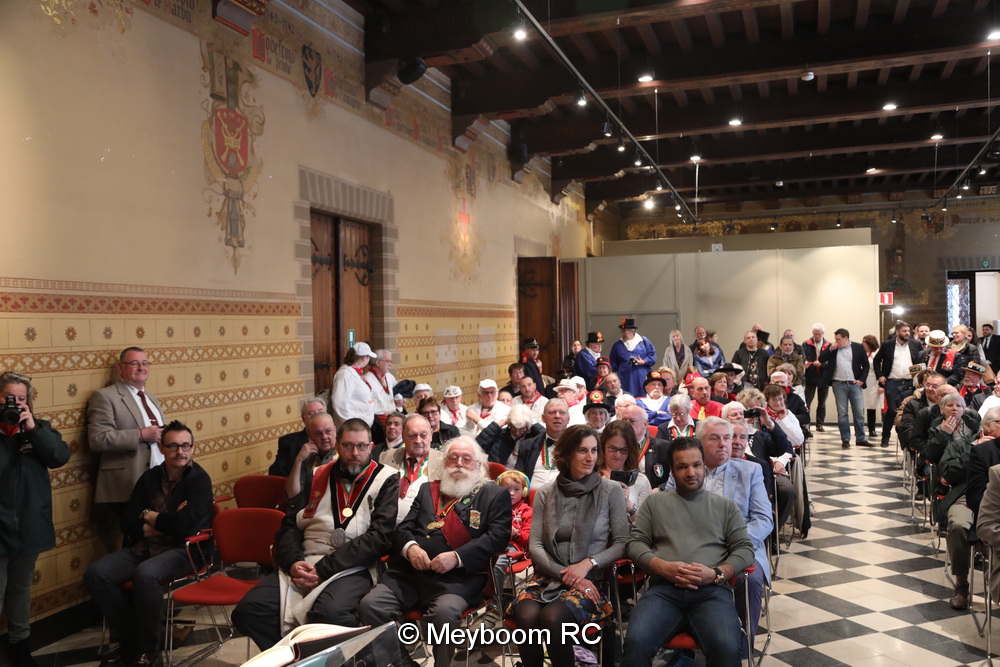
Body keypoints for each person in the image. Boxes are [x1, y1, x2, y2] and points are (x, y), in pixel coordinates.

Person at [233, 419, 398, 649]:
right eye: (348, 446)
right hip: (305, 560)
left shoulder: (386, 478)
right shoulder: (317, 475)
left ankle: (350, 659)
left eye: (361, 446)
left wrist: (323, 569)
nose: (355, 453)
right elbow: (290, 524)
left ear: (371, 447)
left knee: (330, 613)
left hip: (352, 564)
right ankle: (297, 659)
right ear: (337, 446)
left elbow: (379, 537)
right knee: (249, 610)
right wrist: (292, 562)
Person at [359, 437, 511, 667]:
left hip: (457, 580)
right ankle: (402, 663)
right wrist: (411, 548)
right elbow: (403, 529)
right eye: (453, 457)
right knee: (370, 605)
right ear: (443, 462)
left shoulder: (493, 494)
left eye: (466, 459)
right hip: (411, 574)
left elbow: (498, 537)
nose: (459, 463)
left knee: (444, 615)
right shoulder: (427, 490)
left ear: (479, 465)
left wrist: (456, 558)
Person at [84, 421, 213, 667]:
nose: (180, 452)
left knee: (146, 574)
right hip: (144, 546)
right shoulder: (149, 478)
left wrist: (148, 514)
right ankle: (131, 639)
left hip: (184, 549)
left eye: (186, 446)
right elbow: (127, 520)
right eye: (173, 446)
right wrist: (160, 521)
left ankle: (147, 648)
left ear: (193, 448)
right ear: (161, 448)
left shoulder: (199, 480)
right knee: (96, 574)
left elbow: (184, 525)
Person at [621, 436, 755, 667]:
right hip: (664, 591)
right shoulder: (654, 503)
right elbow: (635, 543)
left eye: (696, 465)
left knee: (726, 646)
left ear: (705, 467)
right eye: (682, 467)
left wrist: (715, 573)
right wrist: (662, 567)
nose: (691, 472)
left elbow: (744, 549)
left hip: (711, 592)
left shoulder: (725, 506)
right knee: (635, 642)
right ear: (672, 471)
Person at [512, 425, 628, 667]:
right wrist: (566, 575)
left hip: (590, 582)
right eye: (582, 451)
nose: (590, 457)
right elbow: (535, 545)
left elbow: (622, 543)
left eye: (594, 450)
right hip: (548, 576)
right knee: (525, 615)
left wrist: (588, 563)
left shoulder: (611, 490)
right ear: (566, 454)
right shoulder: (546, 493)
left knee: (552, 618)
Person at [659, 418, 772, 653]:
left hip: (739, 548)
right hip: (690, 548)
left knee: (749, 579)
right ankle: (684, 643)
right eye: (715, 438)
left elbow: (763, 520)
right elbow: (667, 514)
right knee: (676, 572)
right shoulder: (683, 471)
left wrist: (735, 547)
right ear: (699, 443)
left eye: (727, 438)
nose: (723, 444)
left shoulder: (750, 471)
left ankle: (740, 648)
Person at [0, 372, 71, 667]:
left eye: (21, 399)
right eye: (9, 398)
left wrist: (32, 430)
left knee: (20, 589)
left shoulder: (39, 429)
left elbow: (59, 457)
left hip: (29, 527)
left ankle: (20, 646)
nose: (16, 404)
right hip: (0, 527)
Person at [87, 347, 166, 506]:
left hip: (159, 478)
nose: (141, 368)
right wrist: (141, 435)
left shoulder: (150, 397)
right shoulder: (105, 396)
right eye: (134, 363)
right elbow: (98, 439)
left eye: (145, 363)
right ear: (120, 367)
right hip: (127, 483)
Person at [925, 393, 981, 609]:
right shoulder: (939, 428)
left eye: (959, 405)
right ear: (942, 409)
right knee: (958, 525)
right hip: (957, 485)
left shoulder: (974, 425)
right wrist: (944, 435)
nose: (955, 408)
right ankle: (962, 584)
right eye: (950, 405)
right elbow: (931, 456)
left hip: (986, 489)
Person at [381, 415, 443, 524]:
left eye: (423, 435)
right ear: (403, 436)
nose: (418, 441)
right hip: (387, 526)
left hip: (424, 527)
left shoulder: (443, 461)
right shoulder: (386, 457)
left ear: (431, 435)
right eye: (412, 436)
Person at [873, 321, 924, 447]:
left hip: (910, 382)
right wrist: (880, 375)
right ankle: (885, 436)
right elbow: (877, 360)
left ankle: (905, 437)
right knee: (892, 409)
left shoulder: (915, 344)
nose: (907, 333)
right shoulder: (887, 344)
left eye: (908, 331)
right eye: (904, 331)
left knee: (908, 409)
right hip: (892, 382)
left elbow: (921, 361)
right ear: (897, 332)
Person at [820, 328, 871, 448]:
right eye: (835, 339)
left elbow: (866, 365)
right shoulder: (833, 349)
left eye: (838, 339)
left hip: (855, 384)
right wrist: (830, 349)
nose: (836, 341)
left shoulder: (858, 347)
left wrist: (862, 380)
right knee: (842, 413)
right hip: (839, 384)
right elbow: (821, 360)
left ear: (846, 338)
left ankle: (861, 438)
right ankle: (845, 439)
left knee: (859, 412)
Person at [285, 413, 340, 507]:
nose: (324, 437)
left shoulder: (345, 454)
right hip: (308, 510)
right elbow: (292, 495)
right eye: (318, 433)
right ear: (310, 435)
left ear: (335, 430)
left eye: (328, 431)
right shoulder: (307, 457)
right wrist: (298, 460)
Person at [493, 470, 533, 599]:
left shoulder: (527, 512)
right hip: (493, 543)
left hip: (513, 547)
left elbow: (529, 540)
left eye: (516, 489)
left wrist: (516, 534)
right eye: (507, 489)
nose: (511, 493)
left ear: (524, 492)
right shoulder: (494, 509)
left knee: (496, 563)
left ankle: (495, 601)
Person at [516, 399, 570, 488]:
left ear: (568, 419)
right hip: (533, 495)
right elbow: (519, 476)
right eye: (552, 412)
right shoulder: (527, 445)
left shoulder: (577, 446)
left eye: (562, 413)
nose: (557, 416)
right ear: (543, 418)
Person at [269, 397, 328, 476]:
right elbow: (276, 474)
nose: (317, 416)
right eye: (312, 413)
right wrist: (299, 459)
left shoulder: (336, 440)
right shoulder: (288, 443)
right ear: (303, 419)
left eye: (321, 412)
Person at [476, 405, 542, 468]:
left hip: (522, 474)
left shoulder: (532, 438)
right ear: (509, 424)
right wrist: (498, 425)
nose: (517, 433)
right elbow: (477, 445)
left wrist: (533, 423)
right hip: (500, 473)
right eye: (514, 428)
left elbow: (545, 437)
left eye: (521, 429)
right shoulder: (500, 435)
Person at [330, 343, 376, 428]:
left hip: (362, 426)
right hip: (352, 428)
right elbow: (339, 403)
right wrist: (350, 426)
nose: (369, 360)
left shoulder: (356, 372)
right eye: (368, 357)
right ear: (364, 357)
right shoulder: (345, 374)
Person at [609, 318, 657, 398]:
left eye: (624, 331)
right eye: (622, 330)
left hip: (641, 377)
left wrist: (644, 361)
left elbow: (652, 356)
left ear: (632, 331)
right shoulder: (618, 345)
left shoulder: (643, 342)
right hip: (625, 379)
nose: (622, 333)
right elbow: (613, 363)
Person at [802, 323, 831, 432]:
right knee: (807, 402)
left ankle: (819, 424)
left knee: (822, 403)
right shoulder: (806, 344)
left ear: (823, 333)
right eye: (815, 334)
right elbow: (803, 357)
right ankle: (806, 424)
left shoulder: (829, 345)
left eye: (819, 334)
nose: (817, 336)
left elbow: (831, 361)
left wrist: (822, 364)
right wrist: (806, 362)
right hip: (811, 376)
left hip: (824, 377)